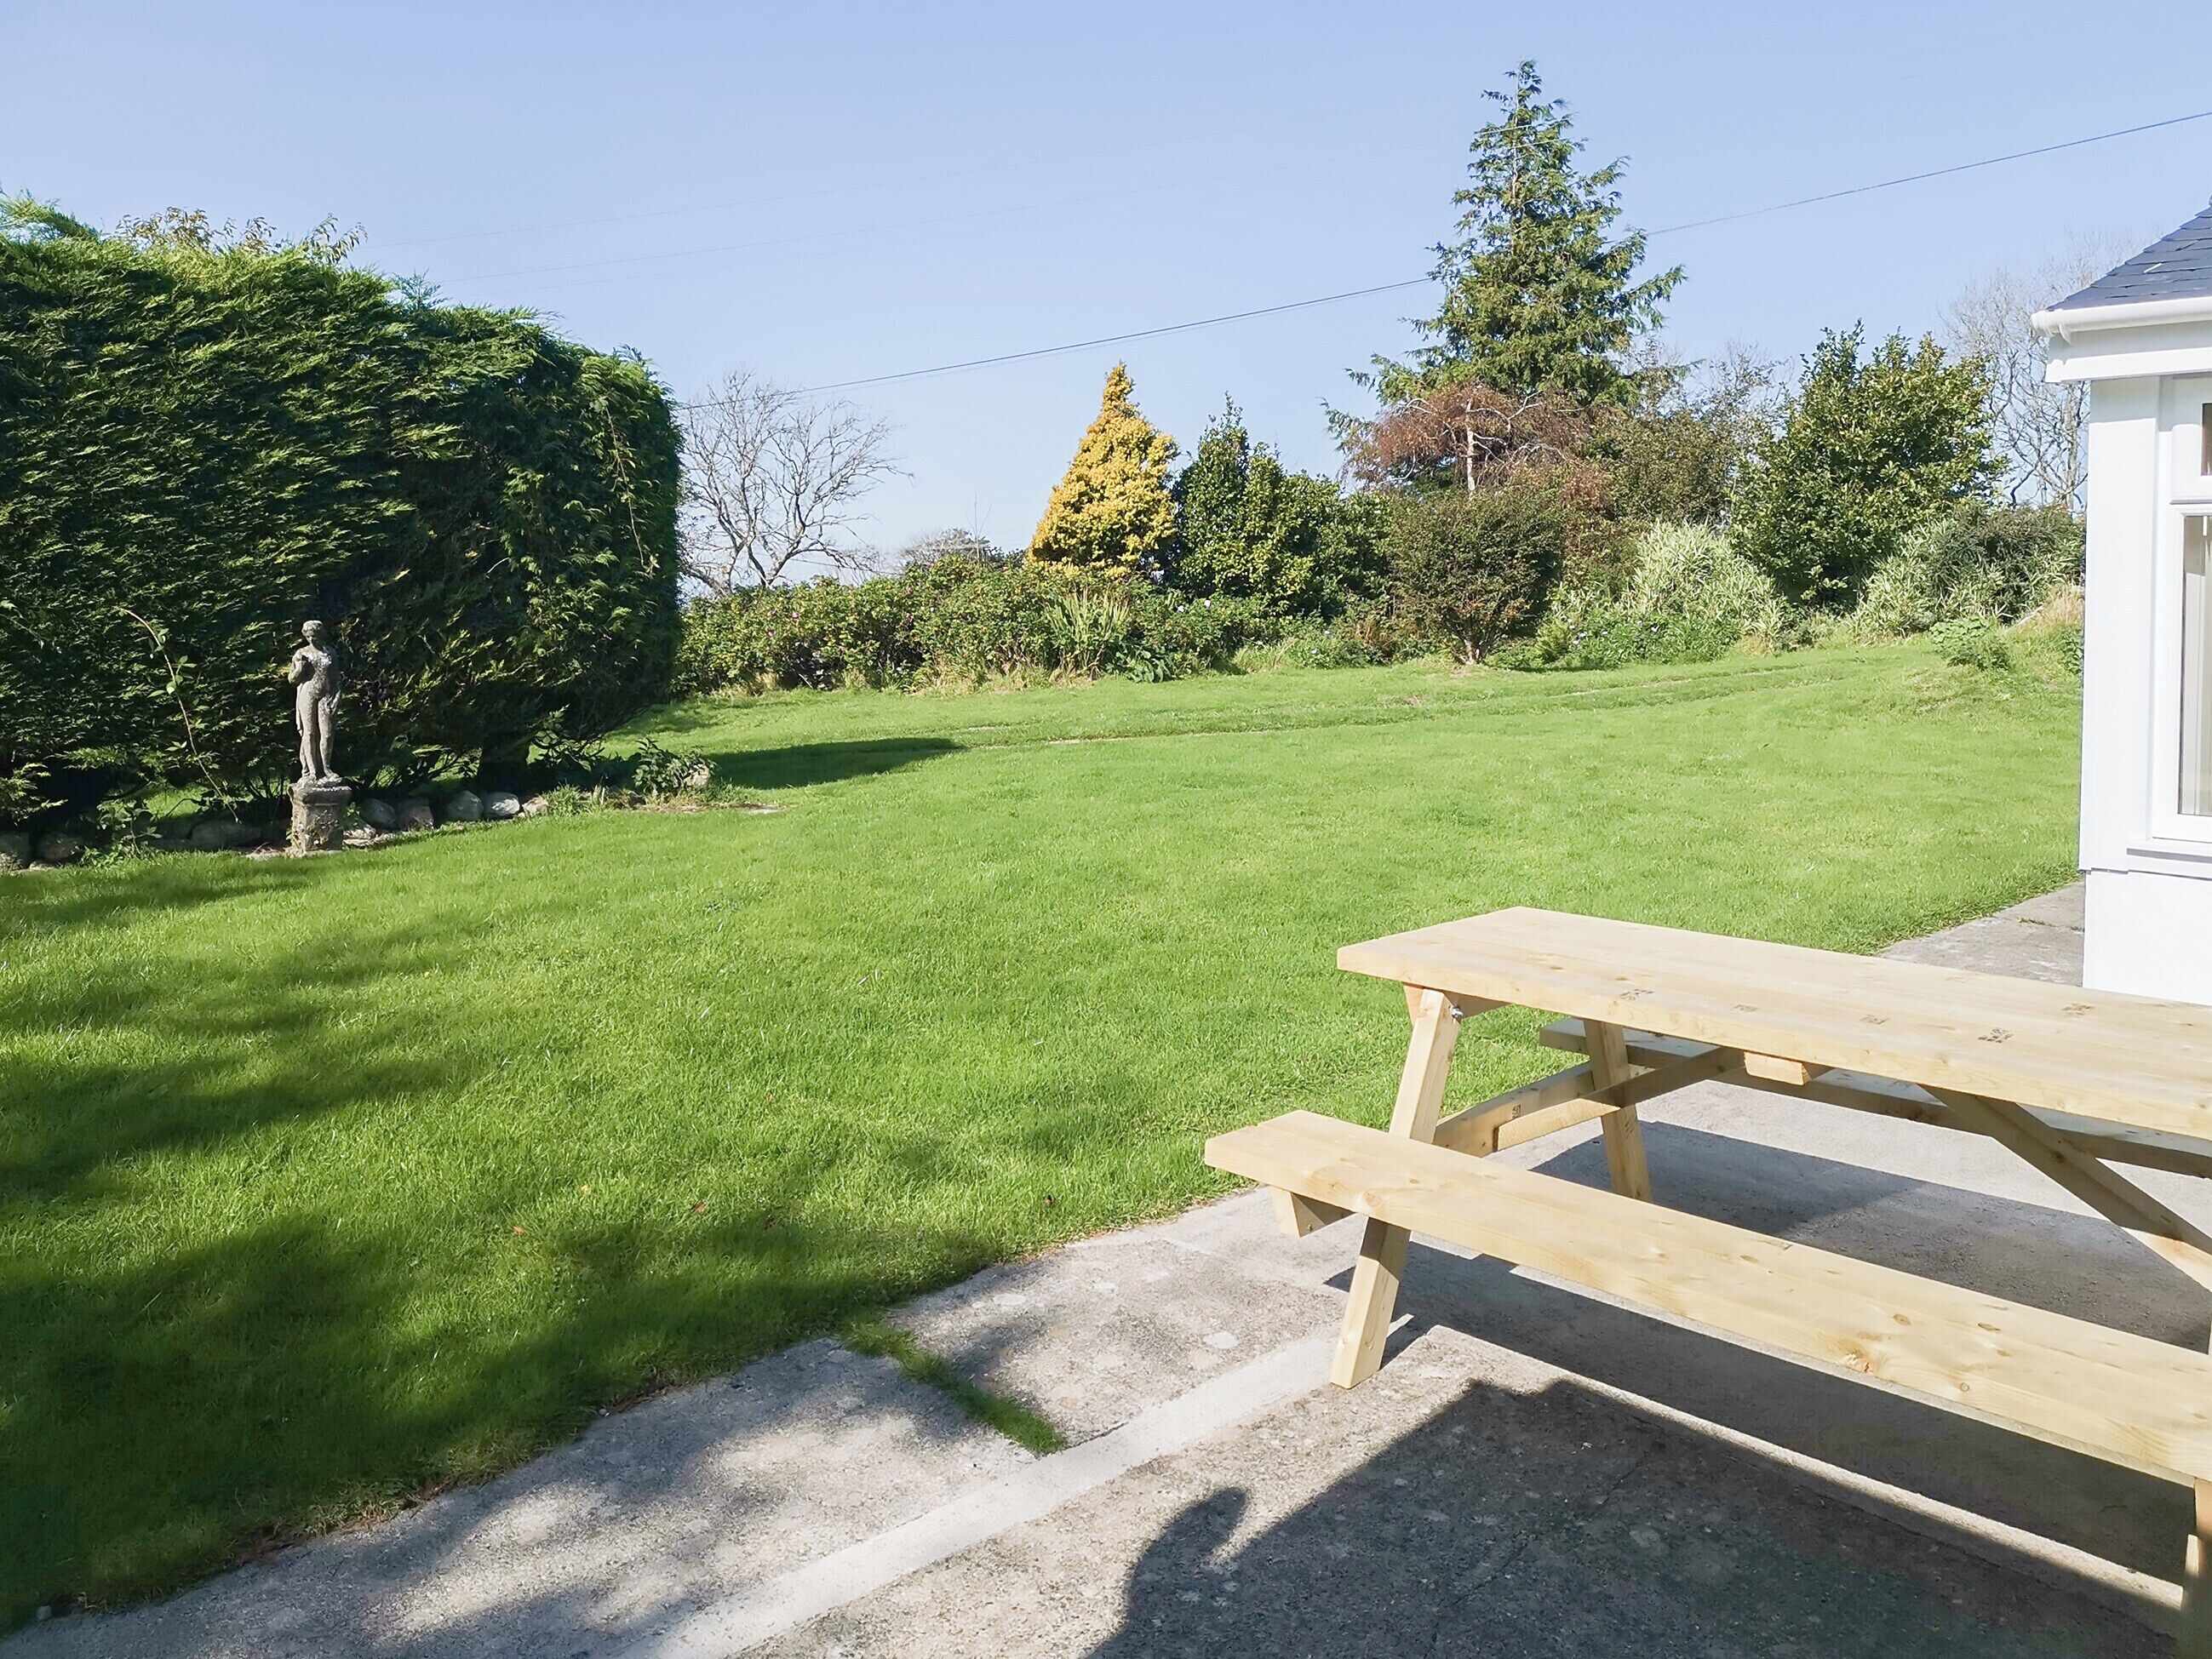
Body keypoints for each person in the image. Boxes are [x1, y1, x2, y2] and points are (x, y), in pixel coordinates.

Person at [289, 619, 341, 784]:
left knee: (327, 733)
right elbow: (292, 679)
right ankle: (311, 772)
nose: (312, 639)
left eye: (315, 636)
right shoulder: (301, 653)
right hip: (307, 693)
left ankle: (326, 768)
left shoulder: (330, 653)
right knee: (309, 733)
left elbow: (336, 678)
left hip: (326, 694)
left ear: (321, 634)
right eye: (309, 636)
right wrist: (299, 668)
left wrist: (337, 697)